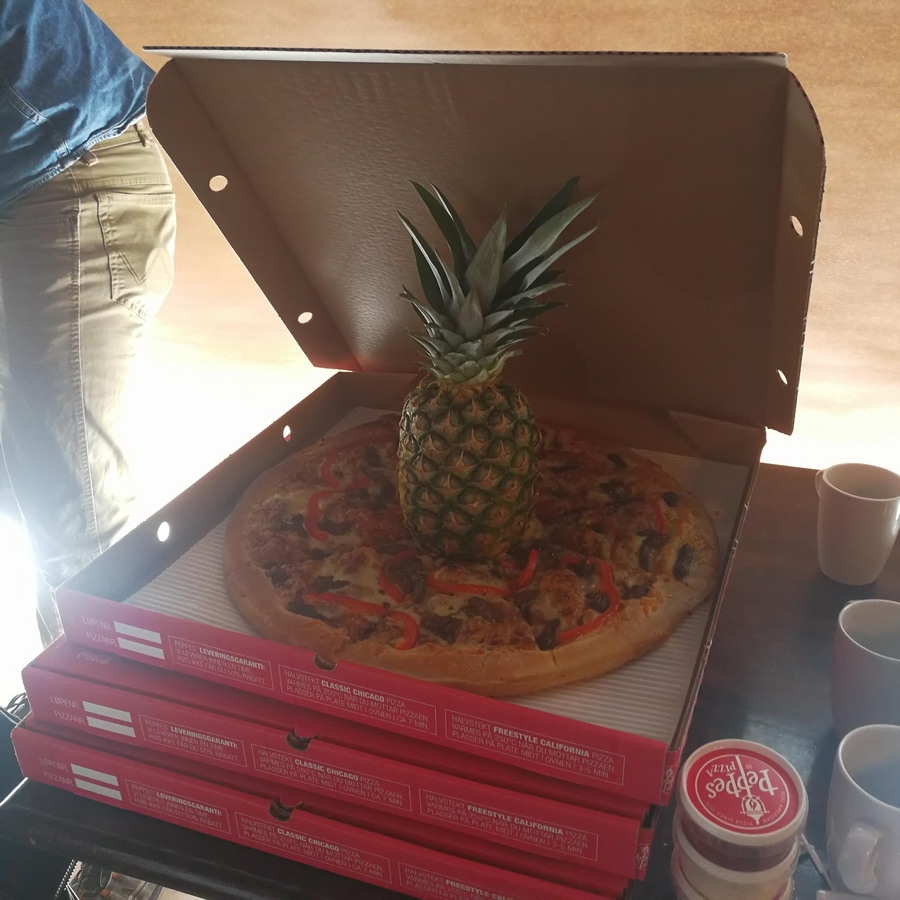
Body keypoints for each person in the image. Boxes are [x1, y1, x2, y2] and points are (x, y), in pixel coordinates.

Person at [0, 0, 176, 644]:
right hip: (35, 177)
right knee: (29, 489)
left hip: (73, 177)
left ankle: (112, 697)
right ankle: (71, 687)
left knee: (79, 522)